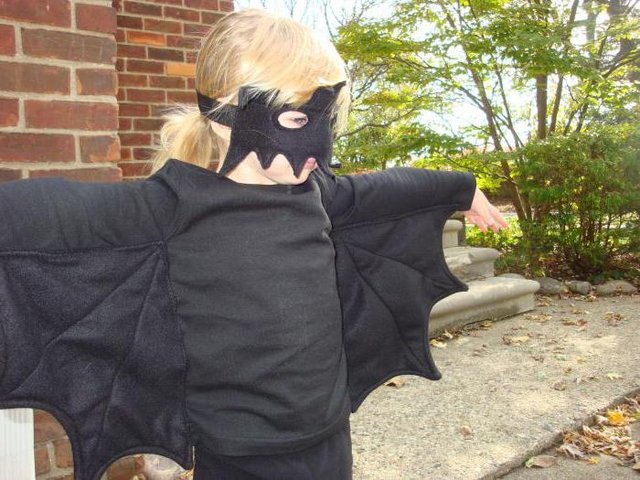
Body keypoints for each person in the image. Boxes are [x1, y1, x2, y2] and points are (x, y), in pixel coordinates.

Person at [0, 7, 507, 480]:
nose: (321, 143)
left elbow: (392, 189)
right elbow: (43, 212)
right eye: (297, 120)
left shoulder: (318, 195)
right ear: (228, 117)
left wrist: (461, 188)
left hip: (329, 437)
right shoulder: (171, 208)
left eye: (327, 119)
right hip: (239, 455)